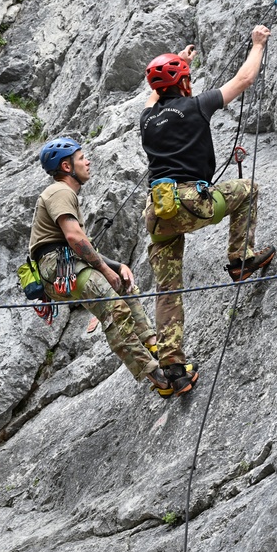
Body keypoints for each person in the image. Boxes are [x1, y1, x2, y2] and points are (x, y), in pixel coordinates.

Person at [140, 25, 276, 395]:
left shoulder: (147, 119)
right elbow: (245, 78)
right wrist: (257, 44)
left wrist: (180, 63)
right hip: (189, 202)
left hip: (158, 211)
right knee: (248, 190)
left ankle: (174, 370)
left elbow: (155, 97)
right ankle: (240, 257)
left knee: (167, 289)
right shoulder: (195, 105)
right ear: (184, 84)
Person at [29, 137, 173, 394]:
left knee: (124, 287)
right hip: (57, 267)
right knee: (114, 307)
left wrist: (117, 266)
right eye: (82, 157)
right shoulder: (60, 192)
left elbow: (81, 244)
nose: (88, 161)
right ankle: (156, 375)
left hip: (66, 264)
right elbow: (74, 239)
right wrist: (106, 270)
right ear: (66, 167)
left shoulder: (65, 194)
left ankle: (153, 344)